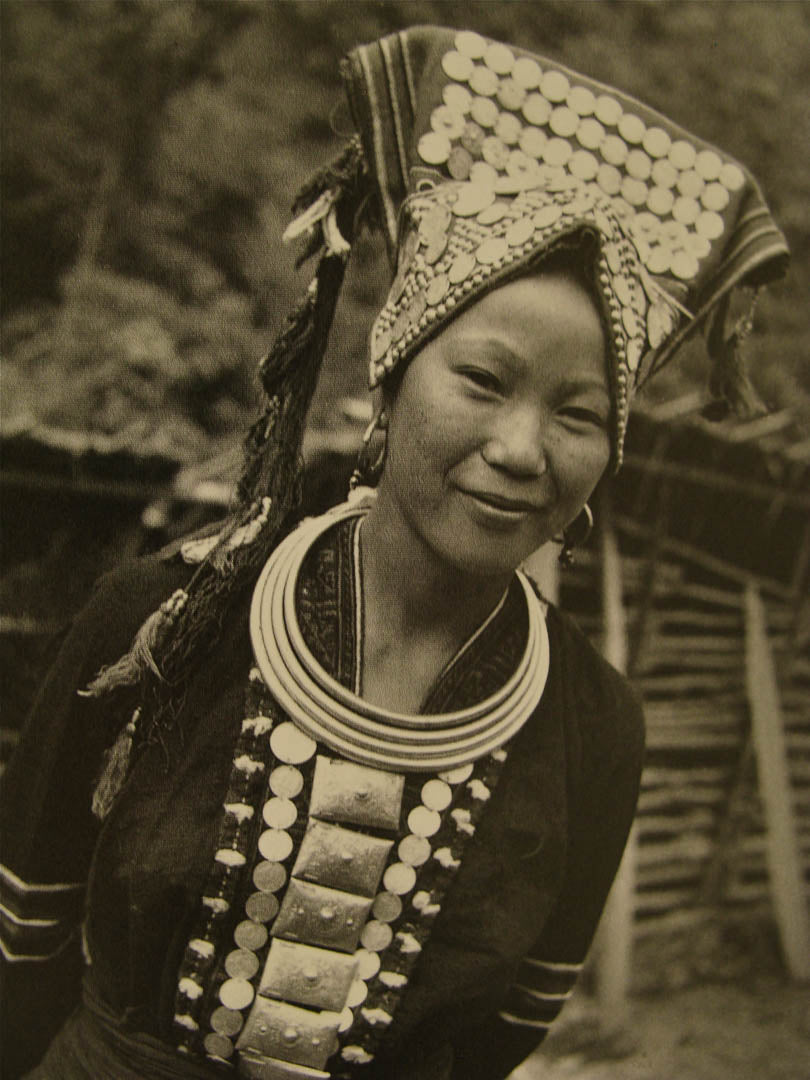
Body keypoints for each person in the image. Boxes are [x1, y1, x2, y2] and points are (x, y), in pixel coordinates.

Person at [0, 25, 787, 1080]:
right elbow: (23, 932)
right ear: (391, 376)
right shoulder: (167, 623)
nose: (520, 450)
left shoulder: (592, 728)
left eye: (580, 414)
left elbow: (508, 1031)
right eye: (482, 381)